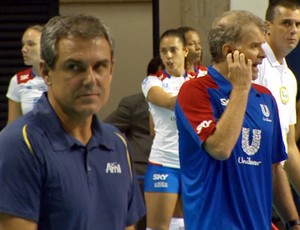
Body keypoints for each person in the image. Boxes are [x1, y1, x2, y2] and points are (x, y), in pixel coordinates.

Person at [0, 14, 145, 230]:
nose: (90, 80)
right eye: (74, 67)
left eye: (100, 67)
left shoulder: (117, 144)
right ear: (46, 72)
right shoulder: (19, 144)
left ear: (111, 69)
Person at [175, 10, 300, 230]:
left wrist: (293, 221)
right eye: (254, 46)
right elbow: (220, 148)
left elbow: (274, 169)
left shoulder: (265, 98)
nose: (262, 54)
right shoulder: (195, 91)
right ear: (229, 51)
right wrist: (240, 88)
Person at [253, 0, 300, 227]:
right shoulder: (257, 64)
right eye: (286, 23)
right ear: (268, 27)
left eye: (298, 24)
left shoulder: (289, 77)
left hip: (273, 182)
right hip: (249, 178)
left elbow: (289, 146)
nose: (293, 30)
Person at [141, 29, 194, 230]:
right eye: (164, 51)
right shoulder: (151, 82)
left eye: (174, 50)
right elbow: (169, 102)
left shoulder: (198, 81)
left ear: (185, 51)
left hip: (193, 165)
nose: (169, 56)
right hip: (163, 163)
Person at [104, 56, 163, 230]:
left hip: (177, 170)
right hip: (142, 173)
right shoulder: (134, 104)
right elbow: (105, 129)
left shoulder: (187, 98)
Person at [6, 25, 47, 124]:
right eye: (23, 44)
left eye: (31, 44)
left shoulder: (61, 78)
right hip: (29, 138)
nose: (24, 49)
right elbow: (12, 126)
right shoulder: (18, 80)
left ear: (46, 47)